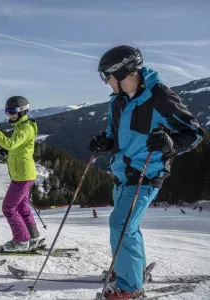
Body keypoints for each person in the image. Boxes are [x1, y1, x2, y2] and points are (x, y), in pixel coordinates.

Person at [89, 45, 204, 299]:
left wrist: (172, 144)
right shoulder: (117, 102)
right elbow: (113, 134)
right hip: (122, 175)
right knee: (127, 226)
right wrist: (104, 142)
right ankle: (131, 269)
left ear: (122, 72)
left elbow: (194, 132)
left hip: (147, 174)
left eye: (106, 75)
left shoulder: (159, 96)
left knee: (121, 224)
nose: (105, 82)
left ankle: (129, 288)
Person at [0, 96, 44, 251]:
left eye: (12, 111)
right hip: (22, 174)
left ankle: (21, 241)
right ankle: (33, 238)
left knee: (8, 208)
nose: (9, 115)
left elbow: (10, 143)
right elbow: (16, 146)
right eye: (7, 111)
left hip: (22, 175)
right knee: (22, 207)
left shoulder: (26, 128)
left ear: (22, 111)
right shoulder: (22, 126)